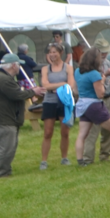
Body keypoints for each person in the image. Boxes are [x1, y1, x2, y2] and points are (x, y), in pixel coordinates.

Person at [0, 53, 45, 178]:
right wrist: (33, 91)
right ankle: (0, 173)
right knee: (7, 147)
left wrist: (28, 92)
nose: (19, 68)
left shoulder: (1, 76)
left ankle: (5, 170)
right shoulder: (3, 79)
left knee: (8, 146)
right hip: (4, 119)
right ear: (13, 65)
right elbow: (16, 95)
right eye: (18, 65)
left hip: (2, 117)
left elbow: (15, 92)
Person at [73, 48, 110, 169]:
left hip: (82, 104)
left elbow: (75, 90)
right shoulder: (95, 74)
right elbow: (100, 94)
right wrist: (103, 79)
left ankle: (81, 161)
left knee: (82, 135)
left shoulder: (77, 71)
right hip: (94, 105)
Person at [39, 42, 77, 170]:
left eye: (54, 52)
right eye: (50, 52)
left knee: (65, 132)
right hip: (49, 101)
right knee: (47, 132)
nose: (52, 54)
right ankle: (44, 161)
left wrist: (55, 86)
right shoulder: (45, 69)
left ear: (61, 53)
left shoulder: (68, 68)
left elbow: (70, 85)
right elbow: (45, 85)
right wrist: (62, 84)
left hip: (64, 101)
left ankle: (64, 158)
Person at [82, 39, 110, 165]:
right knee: (92, 131)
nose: (104, 55)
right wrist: (105, 76)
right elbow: (94, 83)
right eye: (102, 52)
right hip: (95, 100)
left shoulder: (107, 63)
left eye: (106, 52)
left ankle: (105, 155)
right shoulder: (89, 66)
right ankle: (87, 159)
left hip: (108, 98)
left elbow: (105, 81)